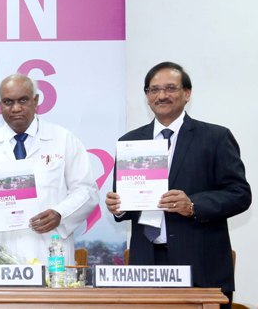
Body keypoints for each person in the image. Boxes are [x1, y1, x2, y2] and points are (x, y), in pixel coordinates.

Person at [105, 62, 250, 308]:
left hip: (200, 265)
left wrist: (193, 205)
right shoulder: (130, 141)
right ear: (147, 96)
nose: (161, 95)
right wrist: (118, 206)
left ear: (187, 93)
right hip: (146, 266)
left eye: (170, 88)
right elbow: (126, 200)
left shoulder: (215, 137)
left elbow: (240, 194)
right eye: (154, 90)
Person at [0, 74, 98, 264]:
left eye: (23, 100)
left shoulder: (63, 140)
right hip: (1, 255)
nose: (16, 108)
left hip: (51, 252)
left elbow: (86, 190)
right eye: (8, 102)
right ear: (0, 105)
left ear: (35, 100)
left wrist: (60, 214)